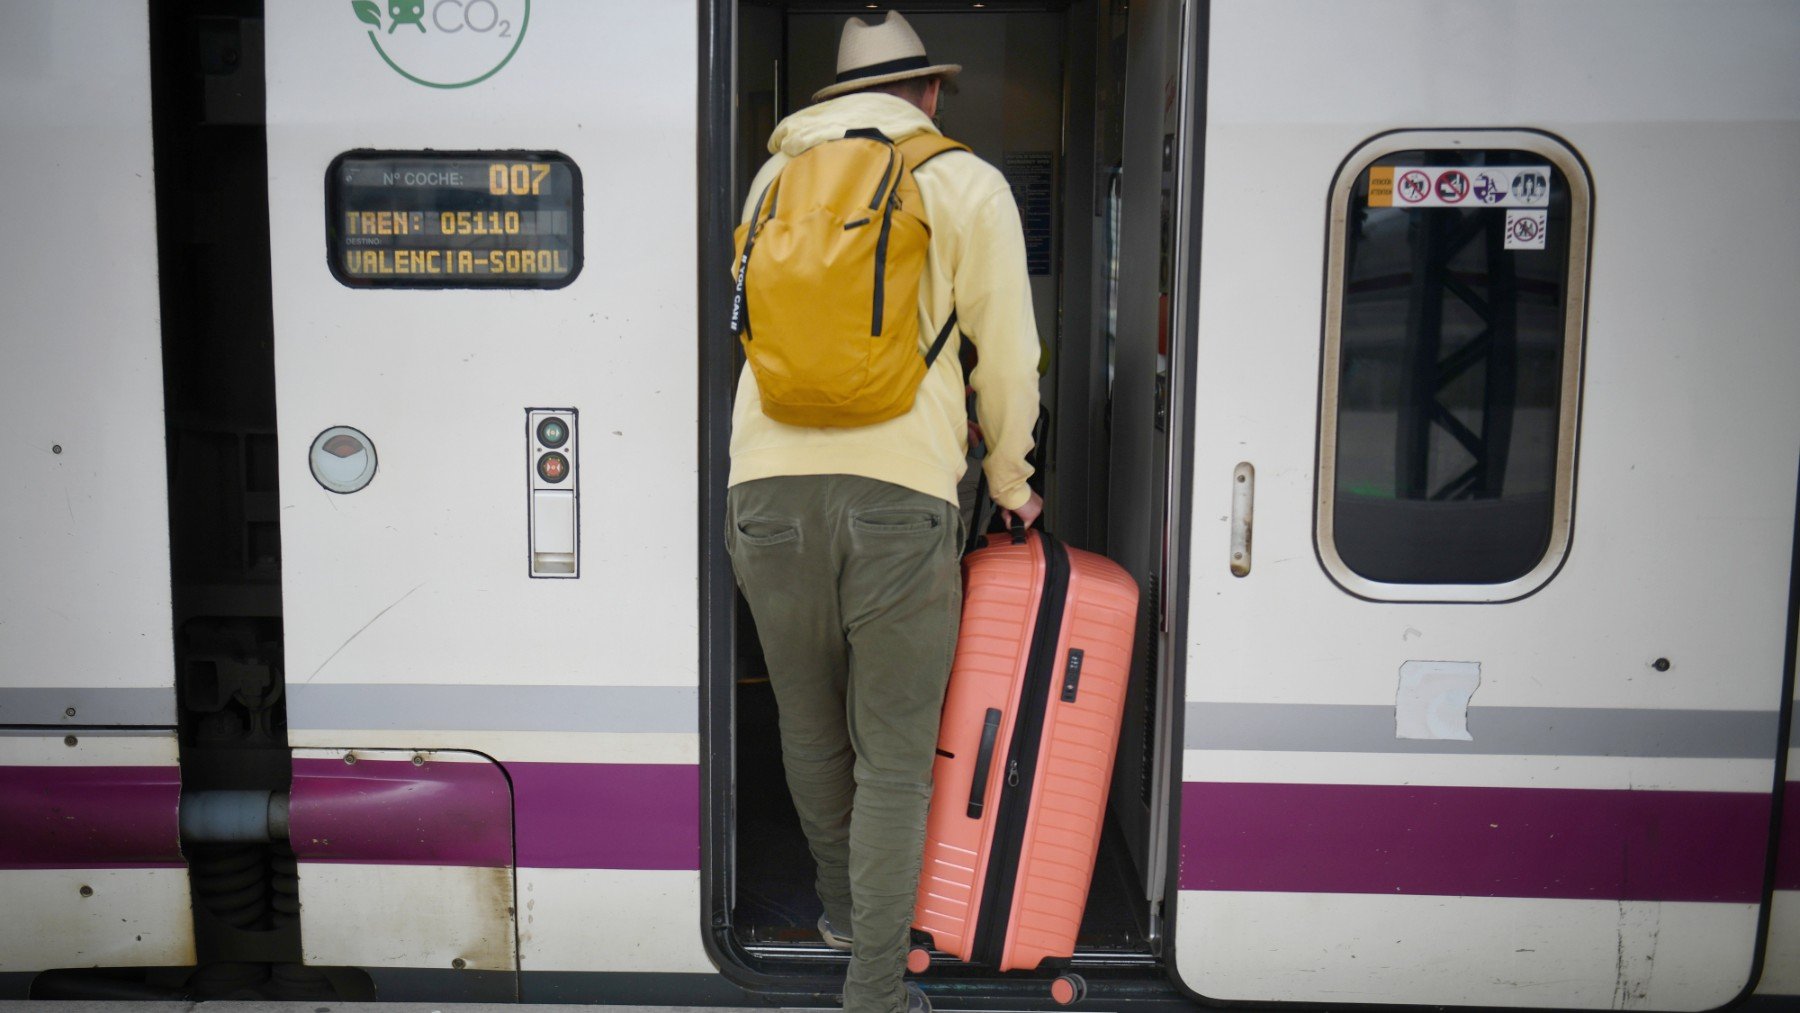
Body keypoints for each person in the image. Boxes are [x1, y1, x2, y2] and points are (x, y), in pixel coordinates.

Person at [724, 10, 1044, 1013]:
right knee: (896, 753)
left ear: (839, 97)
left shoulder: (775, 178)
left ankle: (837, 909)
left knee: (811, 727)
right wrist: (1011, 482)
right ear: (931, 91)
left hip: (764, 485)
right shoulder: (965, 182)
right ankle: (876, 991)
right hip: (900, 492)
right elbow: (1012, 358)